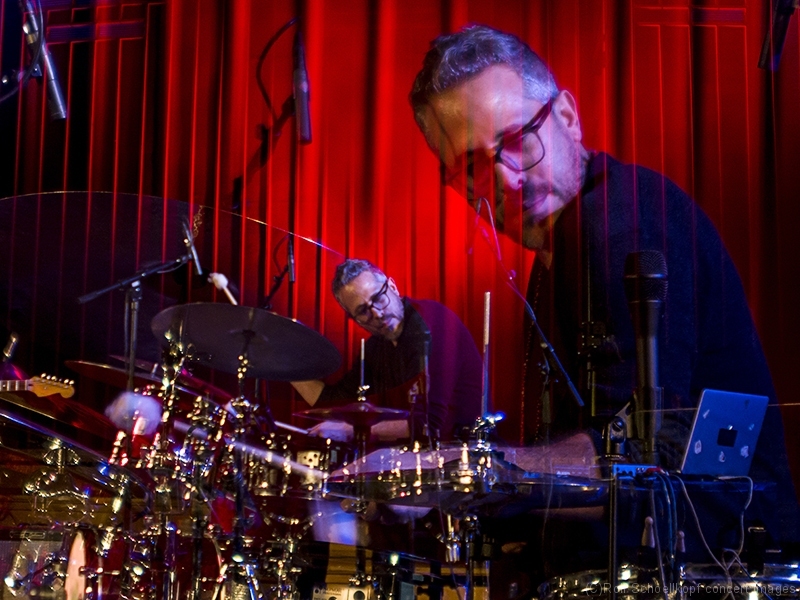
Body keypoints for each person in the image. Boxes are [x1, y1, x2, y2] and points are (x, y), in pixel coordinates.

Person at [409, 23, 799, 582]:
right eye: (473, 165)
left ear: (568, 116)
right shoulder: (561, 245)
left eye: (518, 139)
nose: (506, 179)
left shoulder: (619, 226)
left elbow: (647, 456)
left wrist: (464, 471)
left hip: (716, 573)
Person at [292, 259, 482, 444]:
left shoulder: (431, 325)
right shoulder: (376, 347)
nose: (377, 313)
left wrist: (354, 430)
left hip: (465, 453)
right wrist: (283, 359)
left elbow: (429, 425)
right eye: (363, 311)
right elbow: (334, 403)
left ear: (392, 287)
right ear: (354, 319)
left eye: (378, 298)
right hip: (422, 455)